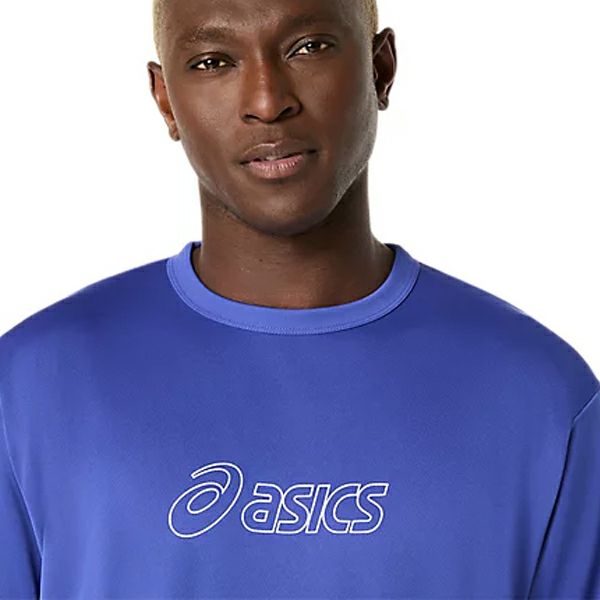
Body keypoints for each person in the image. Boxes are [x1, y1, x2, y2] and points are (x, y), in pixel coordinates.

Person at [1, 0, 598, 597]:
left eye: (308, 47)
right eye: (213, 61)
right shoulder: (31, 386)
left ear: (381, 68)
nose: (267, 102)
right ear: (165, 100)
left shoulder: (541, 396)